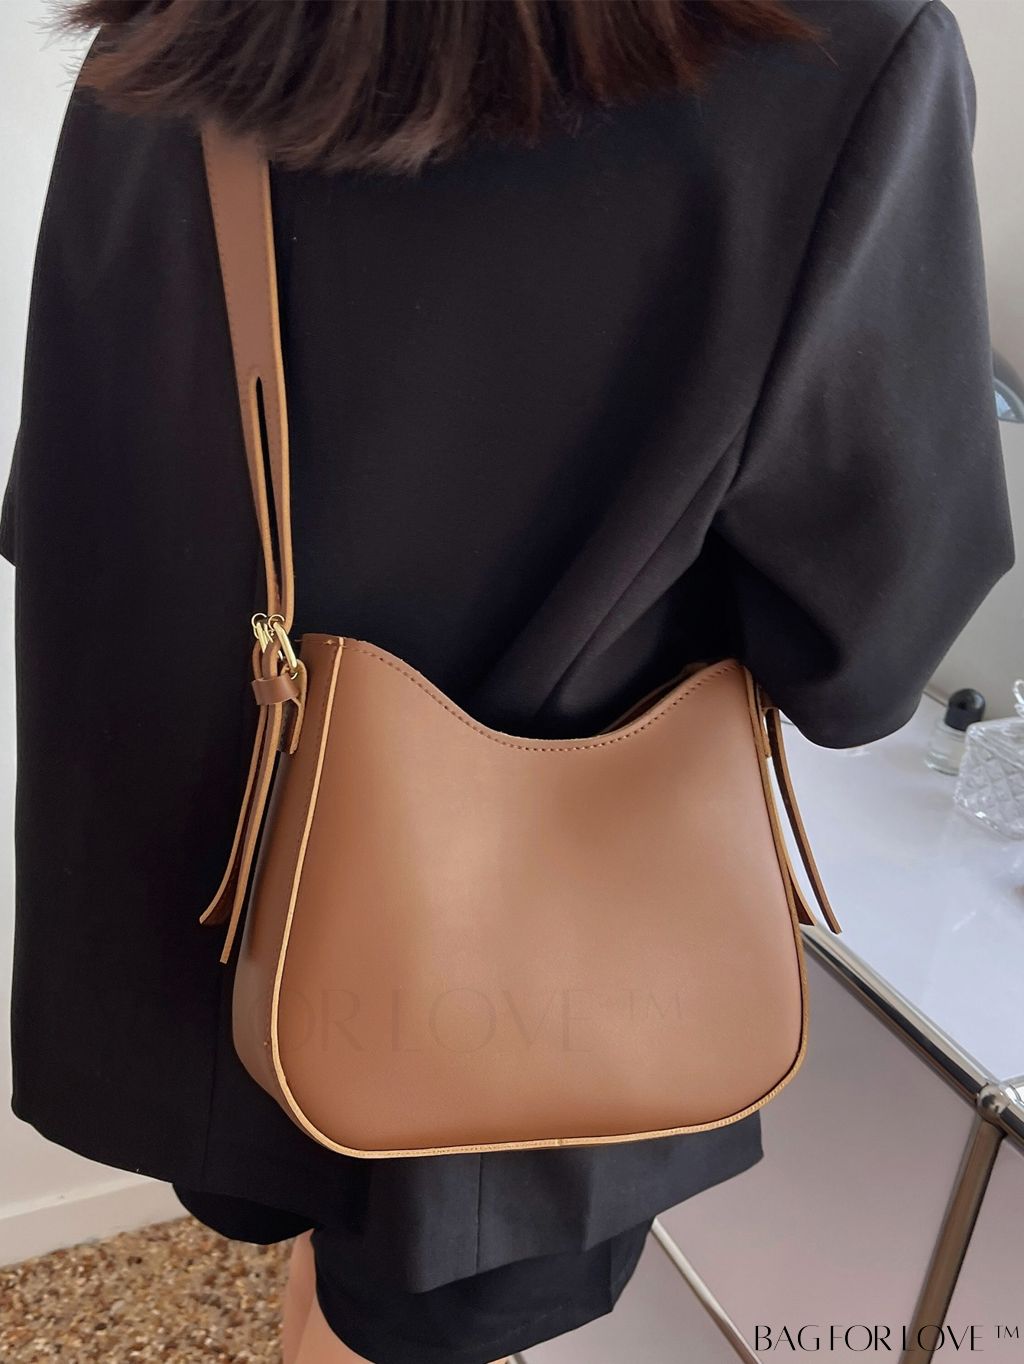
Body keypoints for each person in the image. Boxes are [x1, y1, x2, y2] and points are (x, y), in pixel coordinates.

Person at [2, 0, 1014, 1360]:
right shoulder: (836, 54)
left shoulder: (184, 22)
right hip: (521, 969)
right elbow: (862, 656)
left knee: (325, 1255)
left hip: (203, 896)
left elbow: (68, 483)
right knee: (410, 1308)